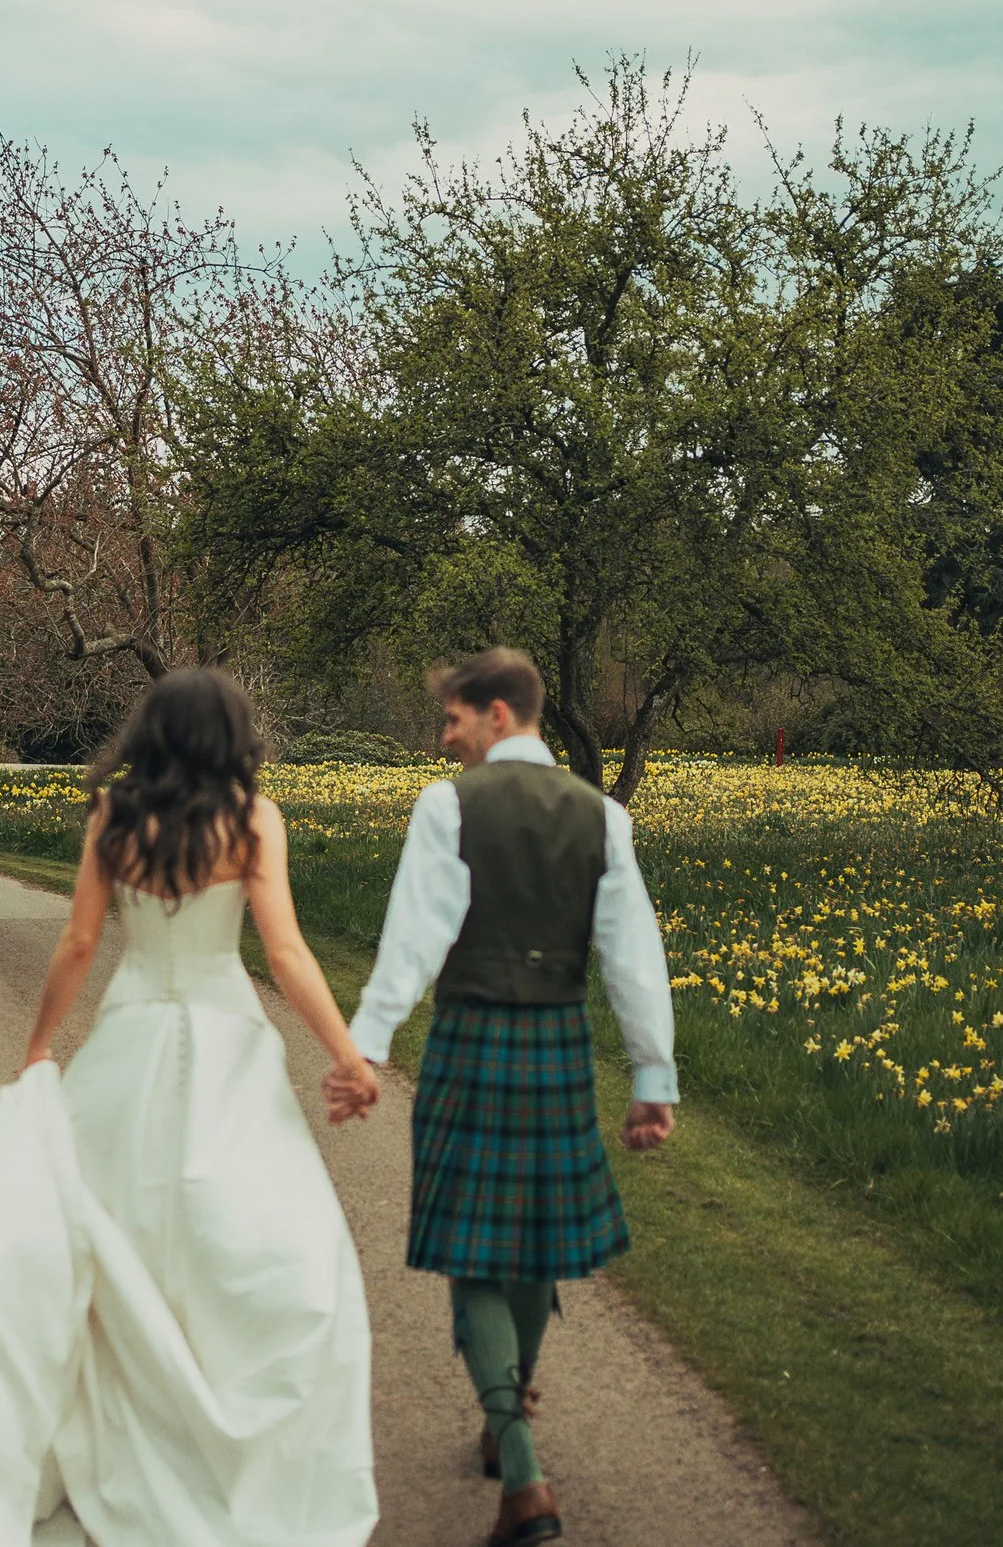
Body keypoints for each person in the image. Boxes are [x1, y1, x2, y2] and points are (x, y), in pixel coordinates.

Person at [0, 668, 383, 1547]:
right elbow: (283, 953)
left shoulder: (115, 819)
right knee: (241, 1238)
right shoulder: (251, 821)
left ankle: (121, 1425)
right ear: (232, 737)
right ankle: (223, 1439)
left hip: (129, 1035)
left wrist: (37, 1048)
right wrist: (347, 1055)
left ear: (152, 734)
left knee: (112, 1233)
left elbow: (82, 940)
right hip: (226, 1042)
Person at [333, 647, 678, 1547]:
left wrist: (367, 1045)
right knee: (530, 1250)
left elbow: (414, 936)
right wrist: (652, 1076)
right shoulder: (602, 815)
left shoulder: (449, 805)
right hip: (558, 1047)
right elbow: (633, 956)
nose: (445, 739)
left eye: (452, 720)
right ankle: (506, 1415)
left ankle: (520, 1465)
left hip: (472, 1039)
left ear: (496, 713)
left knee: (472, 1250)